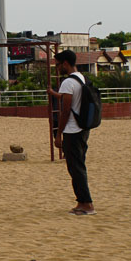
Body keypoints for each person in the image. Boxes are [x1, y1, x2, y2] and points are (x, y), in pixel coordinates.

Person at [47, 50, 95, 216]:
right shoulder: (81, 78)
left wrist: (58, 134)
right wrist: (55, 94)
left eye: (58, 65)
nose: (57, 68)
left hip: (72, 130)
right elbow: (71, 99)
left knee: (76, 168)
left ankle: (87, 204)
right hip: (83, 128)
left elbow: (66, 110)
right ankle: (81, 202)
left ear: (65, 63)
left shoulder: (68, 82)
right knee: (78, 166)